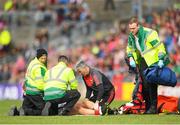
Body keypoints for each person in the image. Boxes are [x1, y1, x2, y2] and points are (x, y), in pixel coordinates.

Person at [126, 17, 169, 114]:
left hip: (152, 61)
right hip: (142, 61)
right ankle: (148, 107)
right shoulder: (131, 36)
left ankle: (153, 107)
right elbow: (130, 48)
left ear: (138, 26)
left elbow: (159, 46)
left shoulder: (149, 33)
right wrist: (131, 57)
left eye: (133, 28)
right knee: (144, 85)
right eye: (130, 29)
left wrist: (161, 59)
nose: (131, 31)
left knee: (151, 84)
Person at [9, 48, 48, 116]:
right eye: (42, 58)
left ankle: (16, 111)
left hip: (28, 92)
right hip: (36, 92)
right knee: (43, 110)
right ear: (38, 57)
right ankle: (26, 112)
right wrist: (46, 91)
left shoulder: (32, 63)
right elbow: (40, 83)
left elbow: (27, 76)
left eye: (45, 58)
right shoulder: (39, 68)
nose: (44, 60)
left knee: (27, 107)